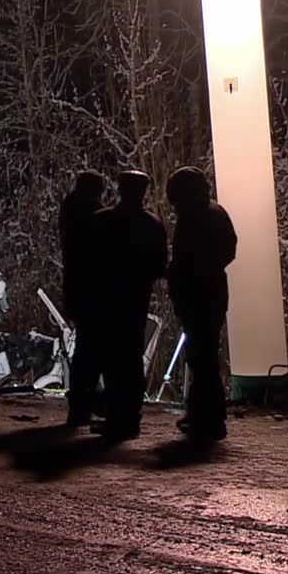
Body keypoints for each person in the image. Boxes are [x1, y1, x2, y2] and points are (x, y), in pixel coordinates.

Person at [91, 171, 167, 440]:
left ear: (119, 188)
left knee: (111, 357)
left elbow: (90, 261)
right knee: (131, 358)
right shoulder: (153, 226)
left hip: (107, 299)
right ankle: (130, 418)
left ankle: (114, 415)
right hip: (136, 299)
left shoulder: (102, 221)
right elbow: (160, 266)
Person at [165, 166, 237, 441]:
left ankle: (210, 418)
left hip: (200, 296)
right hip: (210, 294)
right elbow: (229, 249)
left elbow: (186, 259)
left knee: (202, 358)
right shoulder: (214, 213)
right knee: (202, 356)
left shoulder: (197, 217)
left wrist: (190, 276)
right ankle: (203, 414)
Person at [59, 170, 107, 426]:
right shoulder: (94, 215)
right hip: (93, 293)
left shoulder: (70, 210)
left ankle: (81, 405)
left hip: (78, 291)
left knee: (85, 349)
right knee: (92, 349)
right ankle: (86, 404)